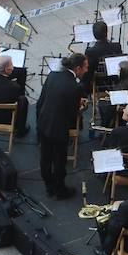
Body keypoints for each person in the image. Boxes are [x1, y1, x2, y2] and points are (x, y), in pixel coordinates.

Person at [36, 53, 87, 200]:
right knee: (59, 159)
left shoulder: (52, 75)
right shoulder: (75, 87)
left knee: (45, 157)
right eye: (85, 67)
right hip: (59, 128)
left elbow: (41, 101)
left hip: (44, 122)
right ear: (78, 68)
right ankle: (60, 189)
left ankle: (48, 186)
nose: (86, 70)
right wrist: (81, 109)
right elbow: (71, 114)